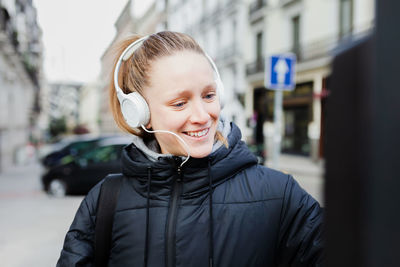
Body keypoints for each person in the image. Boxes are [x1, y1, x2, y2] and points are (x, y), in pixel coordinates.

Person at [56, 31, 323, 267]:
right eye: (180, 103)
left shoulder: (281, 195)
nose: (202, 116)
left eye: (208, 95)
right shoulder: (104, 202)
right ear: (139, 113)